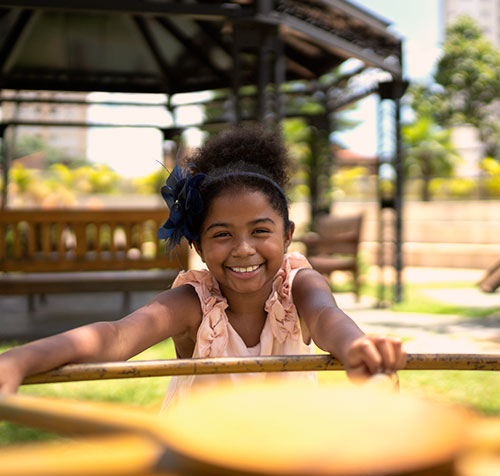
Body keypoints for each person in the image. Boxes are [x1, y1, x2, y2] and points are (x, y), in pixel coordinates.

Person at [0, 126, 406, 407]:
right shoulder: (191, 304)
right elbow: (114, 337)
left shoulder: (300, 285)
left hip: (288, 453)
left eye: (260, 231)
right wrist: (17, 361)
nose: (243, 249)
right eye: (222, 234)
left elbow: (328, 318)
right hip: (198, 463)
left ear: (287, 235)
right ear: (198, 244)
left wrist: (357, 349)